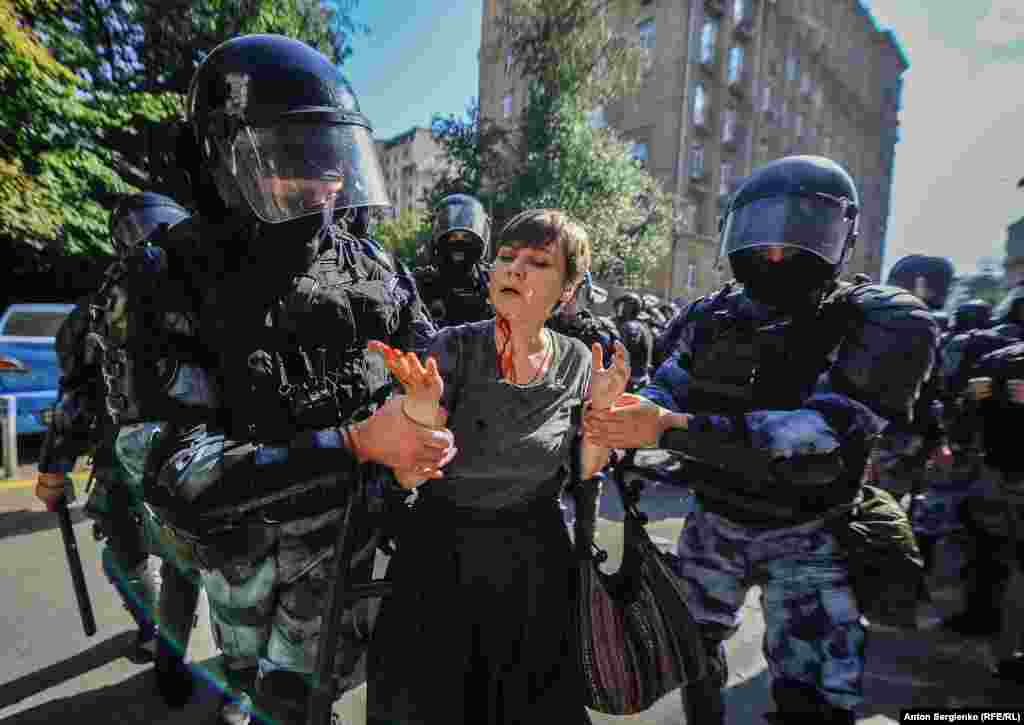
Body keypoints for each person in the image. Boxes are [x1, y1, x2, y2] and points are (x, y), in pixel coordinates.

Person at [112, 35, 452, 725]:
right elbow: (175, 470)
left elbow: (431, 375)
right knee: (256, 696)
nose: (322, 181)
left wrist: (424, 423)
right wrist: (355, 442)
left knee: (310, 700)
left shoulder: (375, 270)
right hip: (246, 568)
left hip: (352, 556)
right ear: (222, 160)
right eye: (293, 158)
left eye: (332, 159)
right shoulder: (169, 275)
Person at [584, 155, 939, 725]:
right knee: (690, 657)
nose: (774, 256)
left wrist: (670, 428)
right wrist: (614, 410)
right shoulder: (713, 317)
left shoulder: (874, 318)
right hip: (717, 520)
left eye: (797, 237)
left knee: (812, 697)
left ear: (840, 236)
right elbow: (667, 389)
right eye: (762, 237)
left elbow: (823, 432)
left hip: (810, 533)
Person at [366, 209, 630, 725]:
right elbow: (409, 475)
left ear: (568, 289)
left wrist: (600, 416)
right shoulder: (455, 346)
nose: (514, 270)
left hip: (534, 559)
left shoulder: (580, 360)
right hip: (442, 550)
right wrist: (421, 409)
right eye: (507, 258)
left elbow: (586, 470)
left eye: (538, 262)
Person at [36, 193, 191, 665]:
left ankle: (157, 630)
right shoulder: (213, 293)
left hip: (123, 454)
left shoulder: (98, 309)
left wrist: (52, 471)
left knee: (126, 549)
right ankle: (180, 642)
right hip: (203, 453)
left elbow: (75, 400)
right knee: (197, 558)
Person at [413, 193, 494, 327]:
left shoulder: (494, 281)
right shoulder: (422, 283)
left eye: (466, 238)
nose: (459, 244)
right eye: (453, 237)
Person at [614, 291, 654, 390]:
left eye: (623, 306)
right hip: (641, 378)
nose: (620, 310)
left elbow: (625, 352)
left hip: (632, 381)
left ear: (629, 308)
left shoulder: (631, 327)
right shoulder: (642, 325)